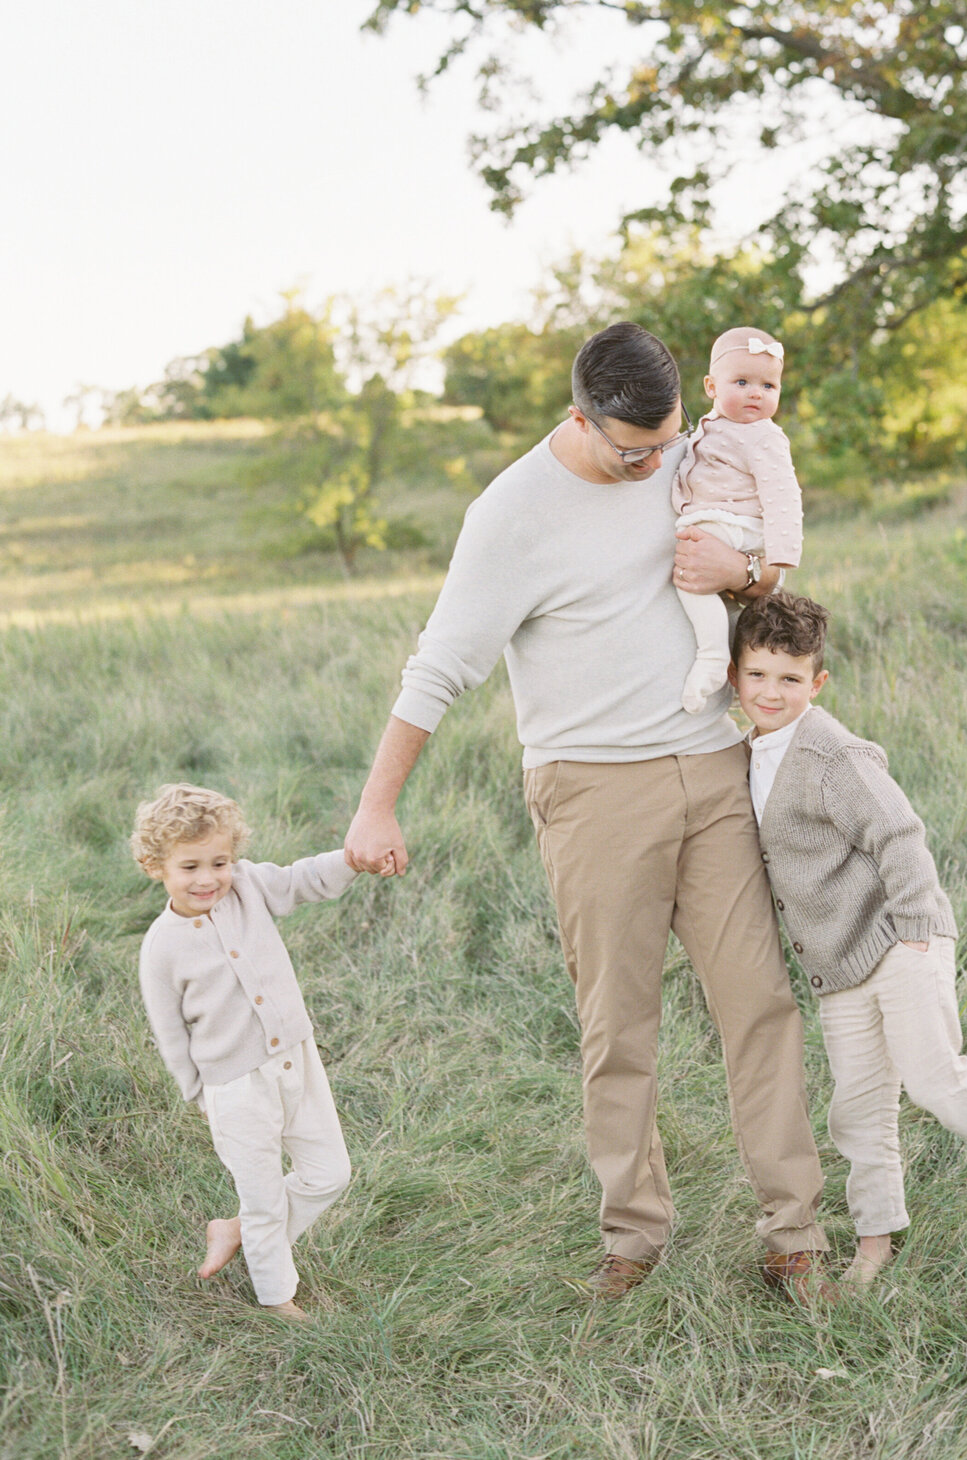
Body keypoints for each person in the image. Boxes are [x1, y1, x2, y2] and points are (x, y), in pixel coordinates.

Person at [345, 321, 830, 1302]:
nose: (656, 463)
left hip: (714, 769)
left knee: (760, 1004)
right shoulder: (512, 514)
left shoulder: (691, 454)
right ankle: (635, 1234)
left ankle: (795, 1233)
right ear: (580, 417)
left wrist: (741, 576)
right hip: (594, 789)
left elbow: (765, 564)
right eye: (633, 450)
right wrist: (376, 806)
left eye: (668, 439)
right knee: (620, 1023)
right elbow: (438, 666)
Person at [729, 593, 967, 1286]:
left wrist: (917, 929)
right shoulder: (749, 753)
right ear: (735, 676)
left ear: (816, 683)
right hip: (839, 966)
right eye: (759, 675)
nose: (772, 691)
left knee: (932, 1075)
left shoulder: (831, 753)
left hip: (899, 941)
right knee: (857, 1109)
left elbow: (898, 832)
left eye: (790, 678)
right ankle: (876, 1241)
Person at [134, 782, 359, 1321]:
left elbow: (304, 878)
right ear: (155, 866)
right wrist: (201, 1096)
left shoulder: (250, 887)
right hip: (232, 1086)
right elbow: (170, 1032)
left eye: (220, 861)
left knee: (330, 1174)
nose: (208, 878)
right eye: (190, 867)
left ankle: (232, 1231)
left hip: (296, 1057)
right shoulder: (161, 947)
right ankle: (277, 1295)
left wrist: (354, 858)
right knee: (261, 1198)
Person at [672, 326, 803, 714]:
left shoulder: (764, 436)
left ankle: (712, 657)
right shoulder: (712, 426)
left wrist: (781, 556)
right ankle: (731, 664)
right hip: (719, 520)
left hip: (732, 523)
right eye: (742, 382)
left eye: (768, 386)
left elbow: (783, 497)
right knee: (716, 594)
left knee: (690, 570)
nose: (755, 393)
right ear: (711, 386)